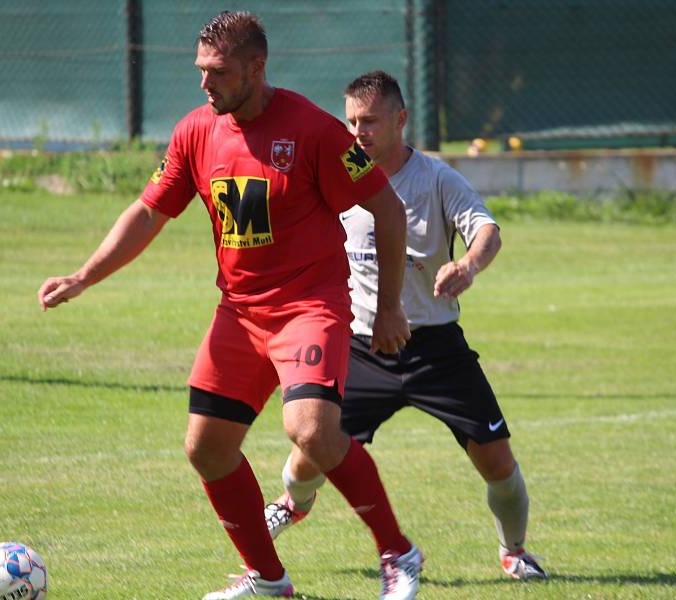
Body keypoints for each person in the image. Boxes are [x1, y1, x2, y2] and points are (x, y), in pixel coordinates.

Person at [37, 14, 422, 600]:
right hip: (240, 315)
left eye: (217, 72)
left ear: (256, 68)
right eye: (200, 71)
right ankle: (270, 580)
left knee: (312, 433)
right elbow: (148, 212)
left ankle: (398, 553)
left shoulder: (315, 131)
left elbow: (387, 210)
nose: (204, 84)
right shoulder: (196, 131)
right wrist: (85, 276)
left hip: (307, 306)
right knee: (207, 448)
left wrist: (390, 307)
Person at [264, 70, 547, 581]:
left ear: (400, 119)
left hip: (434, 346)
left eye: (369, 121)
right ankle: (292, 502)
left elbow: (486, 230)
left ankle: (516, 550)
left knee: (497, 461)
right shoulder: (337, 172)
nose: (357, 133)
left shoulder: (437, 178)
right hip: (362, 344)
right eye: (350, 121)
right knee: (311, 446)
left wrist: (468, 266)